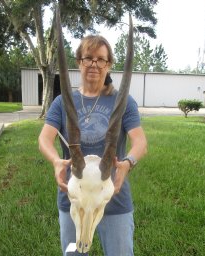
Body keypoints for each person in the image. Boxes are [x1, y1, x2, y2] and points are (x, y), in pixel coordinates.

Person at [38, 34, 147, 256]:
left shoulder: (124, 101)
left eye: (101, 59)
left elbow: (140, 142)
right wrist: (56, 161)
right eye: (88, 58)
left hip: (113, 196)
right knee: (72, 252)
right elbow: (44, 139)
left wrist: (127, 162)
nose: (94, 64)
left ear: (108, 65)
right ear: (79, 61)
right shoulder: (62, 102)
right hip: (74, 200)